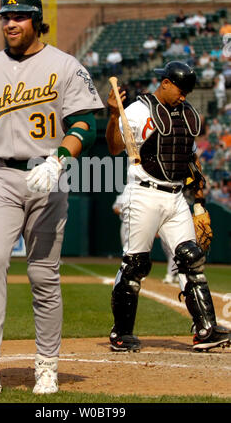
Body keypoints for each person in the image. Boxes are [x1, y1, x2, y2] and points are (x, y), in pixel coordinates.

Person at [0, 0, 104, 397]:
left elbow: (86, 125)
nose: (10, 23)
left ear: (37, 20)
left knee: (43, 275)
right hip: (1, 176)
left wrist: (59, 160)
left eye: (18, 16)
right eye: (5, 16)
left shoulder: (65, 65)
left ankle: (47, 365)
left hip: (48, 175)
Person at [105, 60, 231, 353]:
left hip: (176, 197)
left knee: (192, 259)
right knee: (135, 264)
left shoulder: (187, 114)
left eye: (188, 90)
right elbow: (113, 147)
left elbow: (190, 160)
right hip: (144, 192)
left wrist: (198, 203)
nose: (184, 95)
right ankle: (121, 333)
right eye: (181, 89)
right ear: (165, 83)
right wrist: (113, 116)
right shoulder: (138, 111)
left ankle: (205, 329)